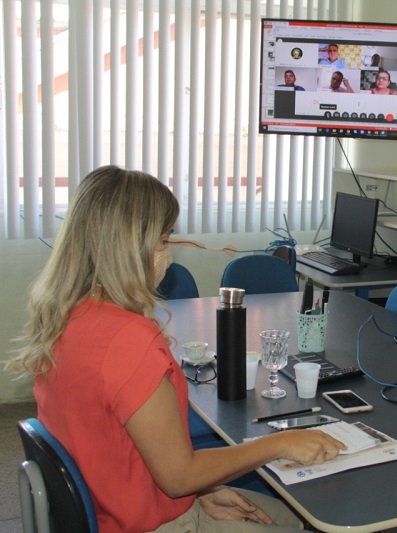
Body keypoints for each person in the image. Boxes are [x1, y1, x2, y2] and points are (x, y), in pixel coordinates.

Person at [6, 166, 346, 532]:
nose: (168, 253)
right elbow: (179, 476)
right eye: (164, 240)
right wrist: (281, 443)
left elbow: (116, 444)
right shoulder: (129, 338)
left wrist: (202, 491)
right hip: (149, 523)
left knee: (294, 518)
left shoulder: (66, 316)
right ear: (130, 247)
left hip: (120, 503)